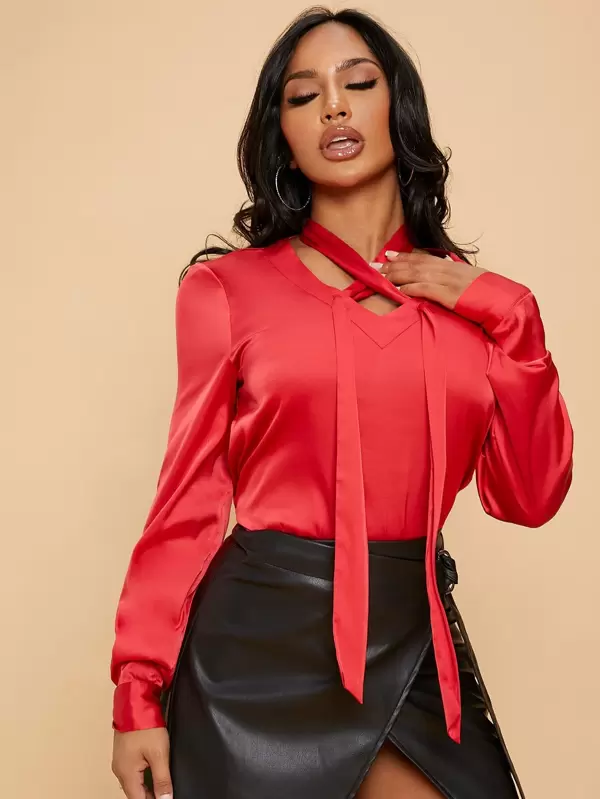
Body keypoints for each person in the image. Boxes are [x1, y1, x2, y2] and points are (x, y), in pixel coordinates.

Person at [110, 7, 573, 799]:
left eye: (358, 83)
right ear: (282, 134)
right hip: (254, 651)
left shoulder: (475, 307)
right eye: (303, 95)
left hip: (411, 635)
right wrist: (137, 691)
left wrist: (519, 323)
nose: (333, 107)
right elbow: (187, 503)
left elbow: (527, 498)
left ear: (400, 106)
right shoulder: (226, 291)